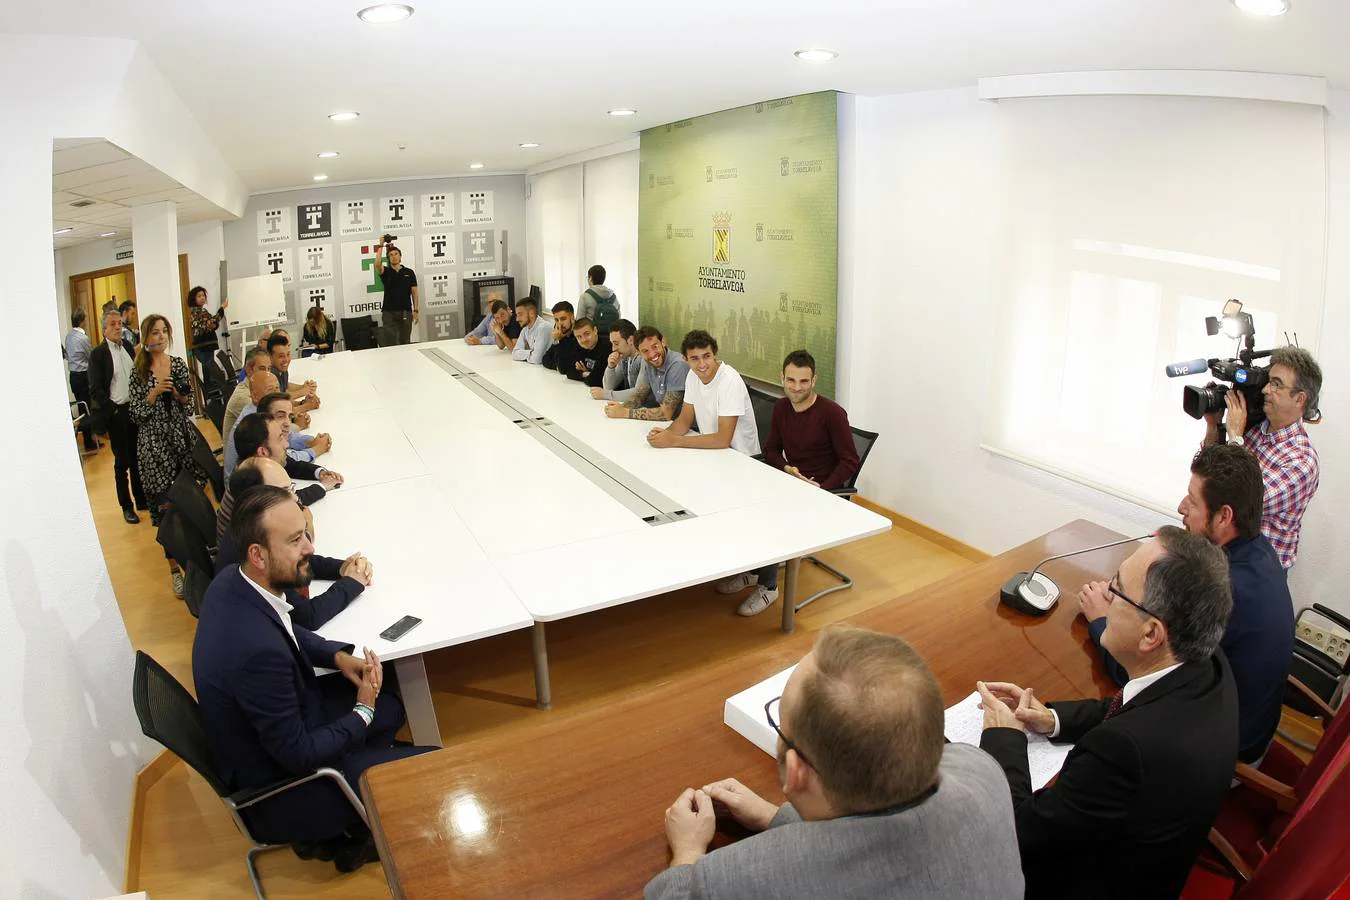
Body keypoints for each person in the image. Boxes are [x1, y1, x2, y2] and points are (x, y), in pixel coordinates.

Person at [645, 624, 1023, 900]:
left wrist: (688, 852)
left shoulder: (741, 879)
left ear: (796, 773)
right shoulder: (983, 771)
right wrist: (774, 816)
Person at [978, 526, 1238, 900]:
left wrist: (1006, 735)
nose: (1104, 593)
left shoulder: (1123, 750)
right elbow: (1133, 704)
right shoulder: (1207, 662)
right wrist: (1053, 719)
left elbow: (1018, 829)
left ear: (1151, 635)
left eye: (1116, 589)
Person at [192, 485, 436, 871]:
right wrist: (362, 711)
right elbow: (299, 754)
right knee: (436, 766)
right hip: (287, 789)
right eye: (294, 540)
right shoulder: (257, 654)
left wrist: (337, 656)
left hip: (274, 739)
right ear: (258, 554)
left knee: (390, 705)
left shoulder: (232, 581)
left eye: (305, 533)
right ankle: (350, 822)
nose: (308, 547)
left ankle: (355, 818)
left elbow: (288, 628)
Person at [1079, 445, 1293, 764]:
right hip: (1248, 723)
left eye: (1192, 501)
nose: (1181, 508)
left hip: (1225, 757)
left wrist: (1100, 621)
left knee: (1093, 742)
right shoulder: (1259, 551)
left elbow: (1147, 680)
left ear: (1224, 516)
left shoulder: (1225, 591)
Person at [213, 458, 371, 630]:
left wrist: (340, 568)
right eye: (283, 491)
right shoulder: (255, 551)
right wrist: (352, 582)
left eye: (291, 488)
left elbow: (296, 556)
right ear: (256, 498)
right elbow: (308, 616)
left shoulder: (250, 523)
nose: (295, 497)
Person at [1202, 345, 1322, 568]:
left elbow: (1247, 504)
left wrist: (1236, 436)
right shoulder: (1256, 430)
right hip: (1222, 557)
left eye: (1276, 384)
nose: (1266, 389)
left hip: (1258, 571)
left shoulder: (1302, 461)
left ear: (1300, 399)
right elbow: (1208, 476)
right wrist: (1213, 426)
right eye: (1268, 381)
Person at [130, 313, 209, 597]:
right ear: (146, 337)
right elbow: (136, 415)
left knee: (189, 506)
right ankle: (175, 571)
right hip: (153, 448)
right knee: (167, 513)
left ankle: (197, 564)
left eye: (164, 332)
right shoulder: (138, 371)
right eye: (154, 332)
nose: (160, 337)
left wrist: (178, 395)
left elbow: (188, 407)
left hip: (180, 444)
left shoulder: (177, 364)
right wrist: (152, 395)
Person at [761, 350, 860, 490]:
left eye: (804, 381)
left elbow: (850, 462)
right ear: (782, 378)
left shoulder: (832, 413)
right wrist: (787, 468)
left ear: (813, 381)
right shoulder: (781, 407)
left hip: (824, 490)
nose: (796, 388)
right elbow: (770, 450)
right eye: (791, 380)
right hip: (793, 484)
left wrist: (822, 489)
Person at [88, 308, 148, 523]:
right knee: (122, 461)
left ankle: (141, 499)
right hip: (117, 412)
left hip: (134, 410)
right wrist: (111, 410)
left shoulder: (128, 347)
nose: (117, 327)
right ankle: (126, 506)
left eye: (119, 324)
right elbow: (95, 388)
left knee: (137, 458)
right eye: (112, 324)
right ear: (104, 329)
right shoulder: (98, 354)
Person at [231, 411, 342, 500]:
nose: (287, 444)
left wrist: (320, 473)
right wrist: (323, 486)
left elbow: (292, 466)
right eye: (280, 438)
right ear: (263, 452)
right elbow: (291, 501)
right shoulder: (252, 480)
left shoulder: (259, 462)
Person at [604, 326, 689, 422]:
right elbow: (640, 395)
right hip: (669, 424)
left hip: (692, 429)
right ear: (639, 353)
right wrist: (621, 407)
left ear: (663, 342)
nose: (652, 354)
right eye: (645, 351)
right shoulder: (647, 363)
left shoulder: (678, 365)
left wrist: (624, 412)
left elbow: (666, 414)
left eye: (655, 346)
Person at [259, 391, 331, 465]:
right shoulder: (260, 445)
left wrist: (311, 442)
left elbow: (290, 436)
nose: (288, 423)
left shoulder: (273, 433)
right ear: (264, 419)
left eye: (290, 417)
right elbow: (289, 460)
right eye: (280, 416)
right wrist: (318, 449)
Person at [65, 308, 99, 451]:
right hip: (83, 376)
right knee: (87, 408)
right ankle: (89, 442)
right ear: (82, 320)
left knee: (81, 406)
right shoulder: (83, 338)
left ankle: (88, 439)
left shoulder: (68, 336)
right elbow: (91, 357)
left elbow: (68, 355)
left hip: (73, 376)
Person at [373, 239, 418, 346]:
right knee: (390, 343)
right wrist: (380, 245)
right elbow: (377, 264)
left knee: (405, 341)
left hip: (405, 312)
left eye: (396, 254)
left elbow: (415, 293)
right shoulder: (386, 272)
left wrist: (416, 310)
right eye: (391, 255)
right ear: (388, 258)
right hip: (389, 313)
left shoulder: (409, 272)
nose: (394, 256)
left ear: (400, 256)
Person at [221, 347, 272, 442]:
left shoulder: (259, 388)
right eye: (262, 369)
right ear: (249, 370)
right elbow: (268, 428)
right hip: (245, 455)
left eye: (269, 369)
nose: (267, 374)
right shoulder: (243, 398)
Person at [592, 318, 642, 401]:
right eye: (612, 344)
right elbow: (608, 386)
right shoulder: (625, 357)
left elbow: (639, 394)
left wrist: (606, 394)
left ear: (631, 340)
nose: (613, 349)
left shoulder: (643, 359)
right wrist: (611, 367)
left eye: (616, 343)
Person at [268, 332, 319, 406]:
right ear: (270, 357)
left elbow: (285, 387)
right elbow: (279, 399)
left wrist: (304, 387)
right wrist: (304, 391)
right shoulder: (269, 374)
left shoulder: (282, 368)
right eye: (281, 356)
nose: (286, 360)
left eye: (288, 354)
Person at [563, 317, 612, 387]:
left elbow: (595, 381)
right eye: (579, 337)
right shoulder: (579, 347)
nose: (583, 340)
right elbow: (568, 371)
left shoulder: (607, 347)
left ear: (595, 330)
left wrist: (585, 373)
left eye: (587, 334)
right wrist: (586, 373)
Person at [576, 264, 620, 332]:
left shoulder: (585, 296)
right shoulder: (614, 297)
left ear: (590, 278)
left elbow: (579, 322)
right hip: (611, 337)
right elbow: (618, 318)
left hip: (592, 337)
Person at [508, 297, 553, 364]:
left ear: (531, 313)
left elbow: (536, 359)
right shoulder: (525, 329)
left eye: (520, 314)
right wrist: (531, 352)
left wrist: (524, 353)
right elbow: (514, 353)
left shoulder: (544, 328)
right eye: (517, 315)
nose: (517, 319)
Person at [188, 285, 228, 357]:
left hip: (207, 345)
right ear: (193, 299)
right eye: (199, 296)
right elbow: (213, 321)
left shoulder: (203, 311)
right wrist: (222, 308)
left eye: (203, 295)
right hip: (203, 346)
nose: (202, 298)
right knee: (208, 367)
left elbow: (213, 323)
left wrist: (213, 324)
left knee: (209, 367)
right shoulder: (196, 312)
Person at [541, 301, 578, 372]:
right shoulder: (560, 333)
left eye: (563, 319)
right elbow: (545, 359)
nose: (559, 324)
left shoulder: (580, 334)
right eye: (556, 320)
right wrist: (556, 366)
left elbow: (563, 368)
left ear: (572, 318)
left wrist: (558, 341)